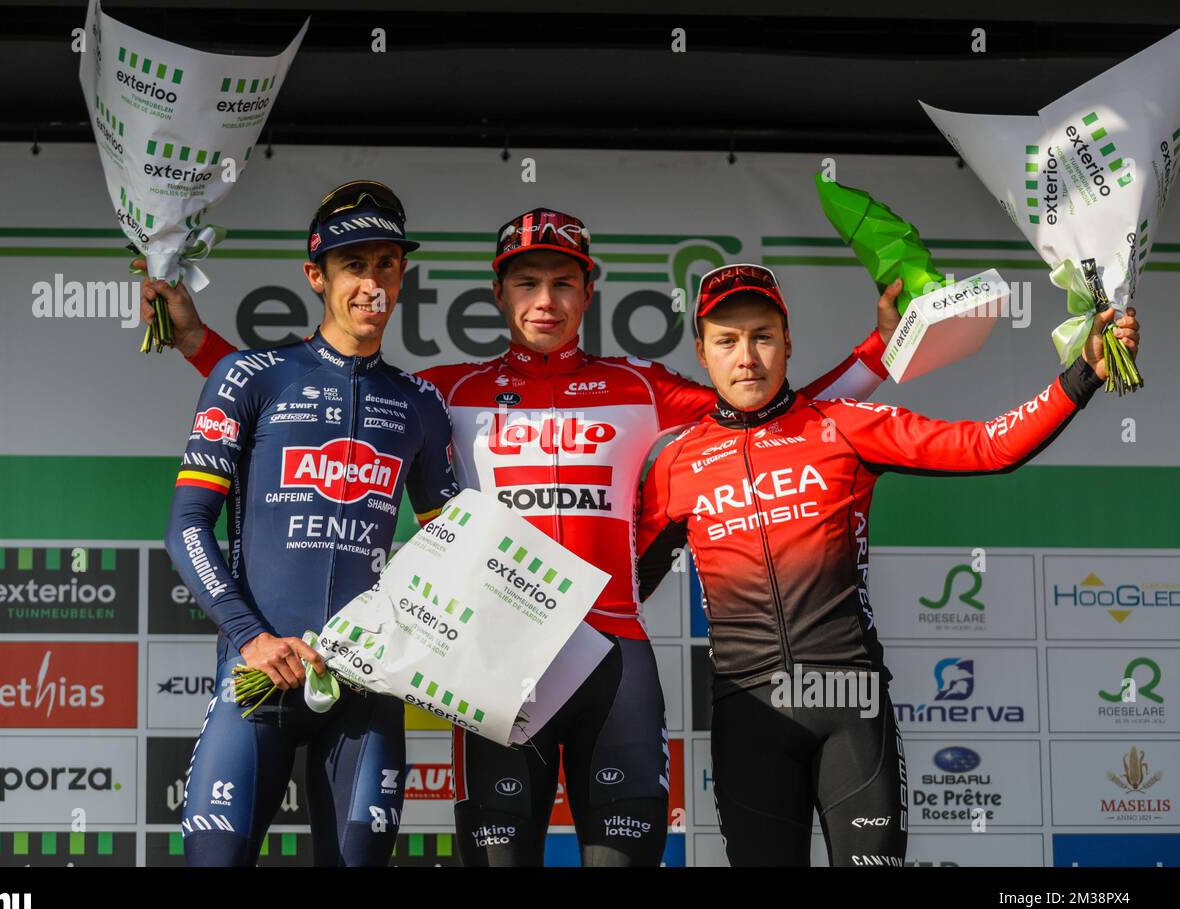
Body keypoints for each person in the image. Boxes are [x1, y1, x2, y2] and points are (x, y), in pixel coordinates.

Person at [152, 207, 902, 866]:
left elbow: (771, 412)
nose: (545, 301)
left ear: (589, 290)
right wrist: (197, 344)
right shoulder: (443, 391)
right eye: (525, 283)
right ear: (498, 293)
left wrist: (878, 352)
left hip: (611, 658)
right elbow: (302, 393)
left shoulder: (642, 386)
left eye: (563, 283)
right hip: (498, 666)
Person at [634, 262, 1141, 866]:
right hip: (749, 713)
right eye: (727, 340)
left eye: (762, 336)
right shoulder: (677, 463)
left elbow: (988, 446)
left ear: (787, 343)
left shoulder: (842, 426)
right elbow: (625, 586)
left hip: (852, 705)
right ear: (703, 351)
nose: (747, 356)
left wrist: (1083, 375)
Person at [161, 180, 459, 866]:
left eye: (387, 263)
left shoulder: (420, 404)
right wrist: (253, 638)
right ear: (316, 276)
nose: (372, 283)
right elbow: (186, 526)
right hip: (257, 672)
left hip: (365, 686)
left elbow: (451, 551)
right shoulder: (250, 377)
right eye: (355, 266)